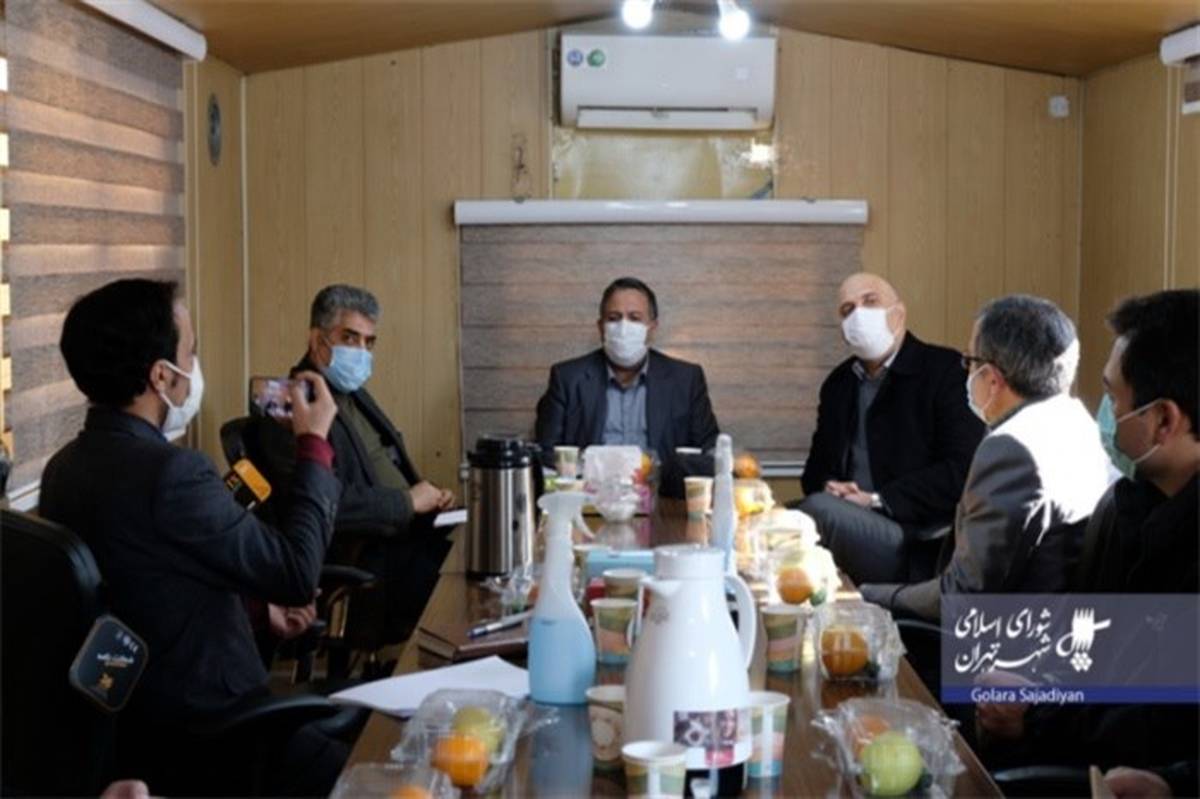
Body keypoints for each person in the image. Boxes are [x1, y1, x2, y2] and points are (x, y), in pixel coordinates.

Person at [39, 279, 346, 795]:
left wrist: (255, 610)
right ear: (161, 375)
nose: (194, 367)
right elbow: (296, 573)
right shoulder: (173, 474)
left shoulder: (63, 469)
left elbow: (142, 587)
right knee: (378, 764)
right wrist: (314, 444)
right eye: (191, 353)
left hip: (137, 730)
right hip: (217, 729)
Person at [976, 289, 1198, 796]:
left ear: (1164, 420)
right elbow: (1089, 651)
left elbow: (1161, 722)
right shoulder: (1128, 506)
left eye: (1114, 399)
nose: (1105, 414)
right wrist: (1036, 690)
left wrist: (1037, 715)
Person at [860, 294, 1113, 620]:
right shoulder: (1077, 421)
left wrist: (864, 596)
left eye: (969, 361)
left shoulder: (1012, 449)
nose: (966, 373)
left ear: (992, 379)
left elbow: (962, 597)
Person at [262, 284, 455, 643]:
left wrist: (428, 497)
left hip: (407, 535)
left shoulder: (352, 395)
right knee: (462, 594)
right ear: (318, 341)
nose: (361, 352)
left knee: (481, 563)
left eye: (369, 342)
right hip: (365, 554)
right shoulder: (290, 407)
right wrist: (407, 502)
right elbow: (319, 504)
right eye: (350, 338)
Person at [797, 273, 985, 583]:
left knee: (816, 513)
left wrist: (876, 499)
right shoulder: (838, 384)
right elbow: (813, 474)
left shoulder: (945, 371)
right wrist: (832, 486)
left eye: (870, 301)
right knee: (774, 522)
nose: (858, 314)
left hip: (914, 537)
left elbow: (962, 471)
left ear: (899, 313)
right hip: (845, 517)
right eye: (847, 310)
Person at [534, 276, 720, 497]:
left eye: (635, 318)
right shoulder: (567, 378)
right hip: (589, 503)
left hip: (663, 503)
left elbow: (710, 453)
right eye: (614, 318)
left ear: (652, 328)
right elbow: (546, 453)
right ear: (601, 327)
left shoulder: (686, 379)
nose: (623, 327)